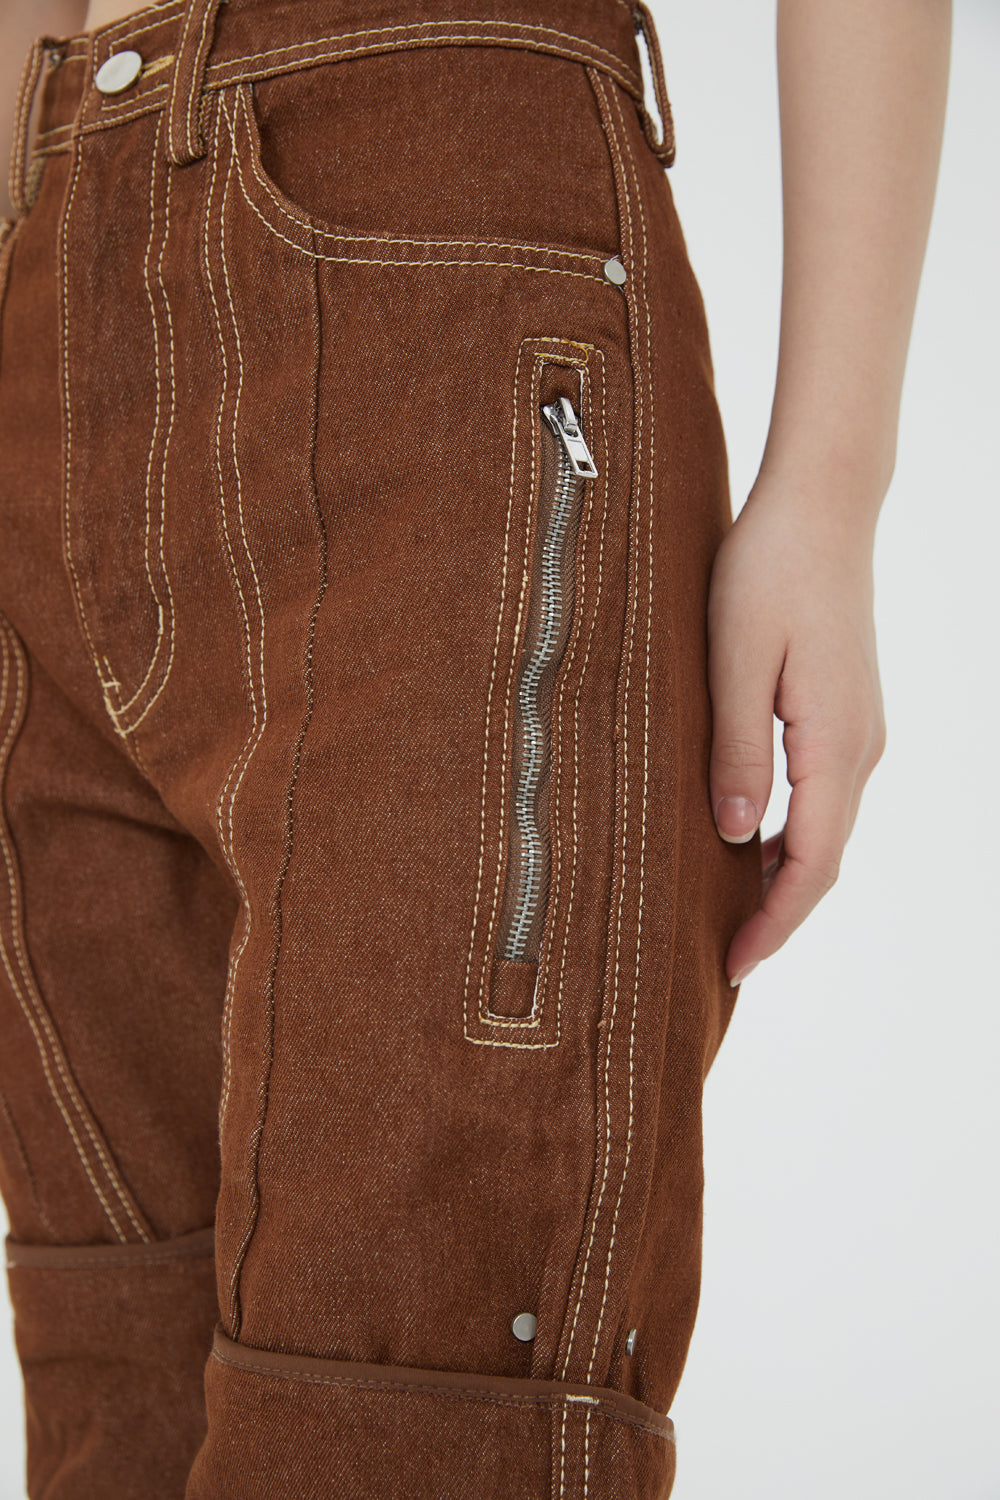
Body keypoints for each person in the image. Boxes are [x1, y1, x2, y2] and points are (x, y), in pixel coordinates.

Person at [0, 0, 950, 1495]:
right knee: (117, 1374)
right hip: (38, 268)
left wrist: (830, 492)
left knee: (412, 1398)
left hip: (435, 258)